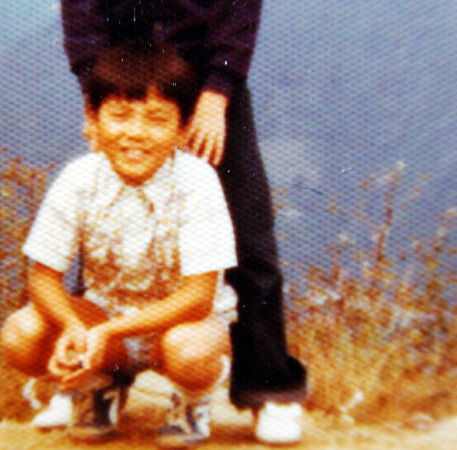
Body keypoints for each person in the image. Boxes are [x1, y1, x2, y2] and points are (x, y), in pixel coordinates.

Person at [61, 0, 307, 444]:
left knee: (247, 233)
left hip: (207, 76)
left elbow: (240, 8)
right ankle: (97, 378)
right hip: (122, 78)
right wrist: (92, 94)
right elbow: (82, 11)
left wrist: (218, 93)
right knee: (105, 221)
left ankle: (269, 388)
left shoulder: (215, 92)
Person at [1, 42, 239, 448]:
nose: (136, 133)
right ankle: (99, 384)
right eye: (119, 115)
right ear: (93, 119)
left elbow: (199, 298)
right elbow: (42, 277)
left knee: (189, 350)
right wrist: (75, 327)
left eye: (157, 119)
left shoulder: (197, 181)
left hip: (179, 326)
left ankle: (193, 398)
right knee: (21, 333)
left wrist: (106, 331)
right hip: (105, 319)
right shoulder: (79, 178)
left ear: (183, 129)